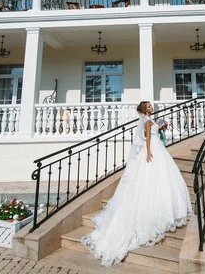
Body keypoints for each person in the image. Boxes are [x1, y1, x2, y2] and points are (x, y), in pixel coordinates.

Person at [81, 101, 191, 266]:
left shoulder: (151, 121)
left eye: (150, 105)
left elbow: (153, 133)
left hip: (158, 148)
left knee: (165, 176)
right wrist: (148, 153)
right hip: (153, 150)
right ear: (144, 109)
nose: (151, 107)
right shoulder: (146, 121)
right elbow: (146, 138)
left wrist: (161, 127)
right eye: (148, 106)